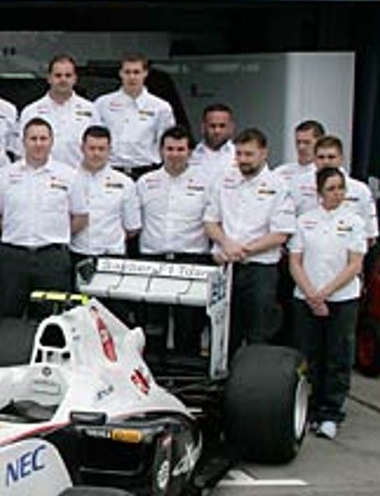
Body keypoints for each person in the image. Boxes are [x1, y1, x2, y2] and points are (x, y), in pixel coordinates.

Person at [288, 167, 368, 440]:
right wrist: (311, 294)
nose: (337, 194)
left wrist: (325, 293)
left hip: (342, 299)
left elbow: (355, 264)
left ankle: (331, 412)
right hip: (306, 298)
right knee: (308, 354)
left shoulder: (354, 221)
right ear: (319, 192)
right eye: (331, 188)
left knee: (338, 355)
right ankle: (307, 408)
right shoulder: (305, 220)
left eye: (341, 188)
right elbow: (295, 262)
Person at [205, 127, 295, 347]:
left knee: (259, 330)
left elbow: (280, 234)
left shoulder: (279, 186)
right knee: (225, 332)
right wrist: (226, 244)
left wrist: (242, 251)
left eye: (249, 154)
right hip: (226, 268)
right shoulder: (224, 180)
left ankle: (255, 379)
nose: (242, 159)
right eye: (239, 154)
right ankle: (225, 379)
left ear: (264, 153)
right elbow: (210, 222)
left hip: (260, 270)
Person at [0, 118, 81, 318]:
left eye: (43, 138)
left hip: (52, 259)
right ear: (23, 141)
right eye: (33, 138)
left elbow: (80, 217)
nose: (38, 143)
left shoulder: (69, 175)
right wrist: (19, 232)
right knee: (5, 318)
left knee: (51, 321)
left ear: (52, 141)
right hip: (13, 257)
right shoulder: (4, 175)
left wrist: (55, 234)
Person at [136, 126, 214, 355]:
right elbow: (133, 223)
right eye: (170, 148)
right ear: (161, 151)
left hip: (192, 259)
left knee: (189, 324)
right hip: (152, 258)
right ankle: (153, 372)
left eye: (181, 149)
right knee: (152, 323)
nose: (175, 154)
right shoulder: (145, 182)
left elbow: (213, 221)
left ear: (190, 151)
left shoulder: (206, 183)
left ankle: (185, 374)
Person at [69, 126, 140, 262]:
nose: (96, 153)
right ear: (82, 148)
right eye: (92, 148)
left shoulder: (125, 182)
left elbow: (132, 227)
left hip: (112, 255)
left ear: (110, 150)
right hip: (76, 253)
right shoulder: (68, 178)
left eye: (101, 149)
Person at [18, 54, 95, 169]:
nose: (63, 79)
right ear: (49, 78)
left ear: (75, 79)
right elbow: (21, 151)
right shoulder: (31, 112)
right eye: (58, 75)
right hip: (42, 179)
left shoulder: (91, 110)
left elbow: (98, 148)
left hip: (79, 178)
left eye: (68, 75)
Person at [97, 54, 169, 175]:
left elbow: (166, 143)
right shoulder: (102, 104)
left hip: (147, 171)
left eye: (136, 72)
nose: (132, 77)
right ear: (120, 73)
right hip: (111, 172)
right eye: (127, 72)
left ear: (145, 73)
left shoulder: (161, 108)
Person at [308, 135, 379, 237]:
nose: (326, 162)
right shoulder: (298, 187)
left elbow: (370, 234)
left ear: (341, 158)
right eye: (321, 157)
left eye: (331, 157)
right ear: (314, 159)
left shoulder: (360, 190)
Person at [273, 120, 326, 200]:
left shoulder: (327, 174)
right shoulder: (280, 172)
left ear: (320, 143)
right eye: (298, 142)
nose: (301, 147)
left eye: (307, 142)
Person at [191, 103, 236, 172]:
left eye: (222, 126)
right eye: (212, 126)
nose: (217, 131)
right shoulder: (189, 155)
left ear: (231, 127)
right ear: (203, 127)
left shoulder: (239, 155)